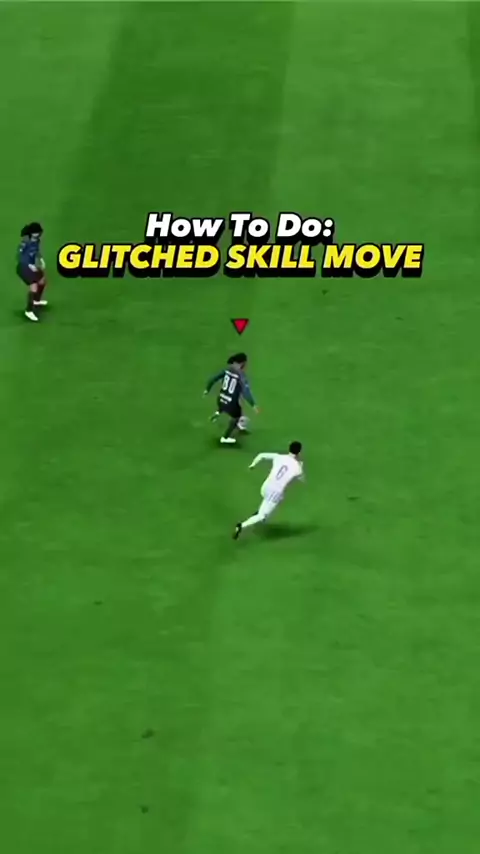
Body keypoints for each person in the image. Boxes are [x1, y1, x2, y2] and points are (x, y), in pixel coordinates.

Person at [233, 441, 304, 538]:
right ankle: (241, 526)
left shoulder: (279, 457)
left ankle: (259, 513)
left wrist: (253, 465)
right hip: (275, 493)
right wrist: (301, 466)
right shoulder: (298, 468)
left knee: (268, 502)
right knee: (262, 516)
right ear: (299, 452)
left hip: (266, 487)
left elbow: (261, 455)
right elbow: (301, 479)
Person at [203, 353, 259, 444]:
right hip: (231, 404)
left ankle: (218, 412)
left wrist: (207, 390)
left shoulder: (226, 370)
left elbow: (213, 379)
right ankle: (225, 437)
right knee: (236, 415)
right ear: (242, 363)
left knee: (233, 403)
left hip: (220, 400)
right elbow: (246, 392)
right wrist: (253, 405)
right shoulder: (241, 375)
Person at [17, 222, 47, 322]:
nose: (38, 234)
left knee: (42, 281)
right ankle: (29, 311)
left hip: (32, 266)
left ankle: (36, 300)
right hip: (23, 267)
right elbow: (20, 257)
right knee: (34, 285)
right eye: (36, 232)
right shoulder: (25, 242)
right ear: (32, 233)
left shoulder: (37, 241)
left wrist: (41, 259)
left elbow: (36, 251)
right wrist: (30, 265)